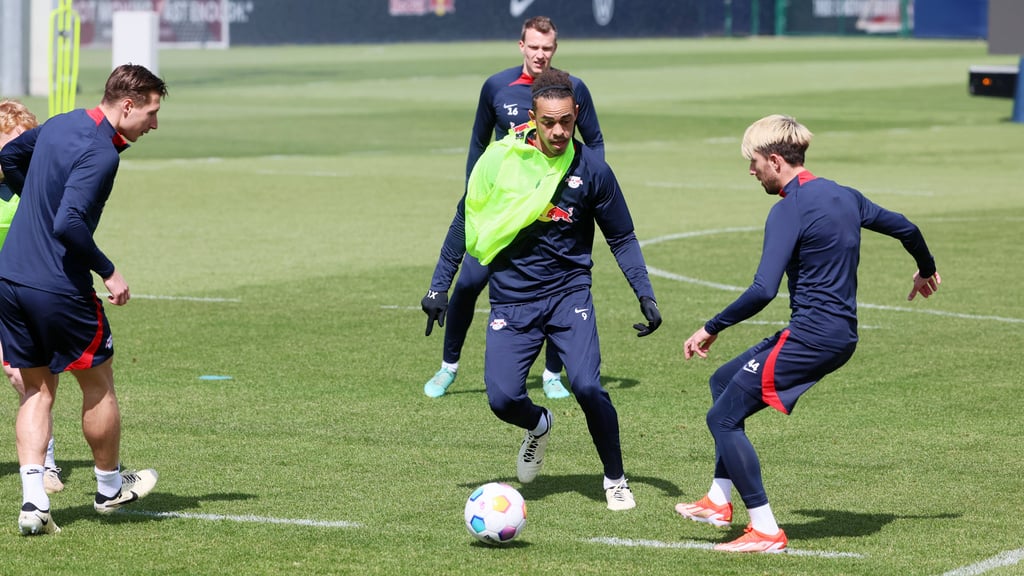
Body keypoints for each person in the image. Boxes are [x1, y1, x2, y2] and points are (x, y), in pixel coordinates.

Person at [675, 114, 941, 553]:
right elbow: (906, 229)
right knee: (723, 381)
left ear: (775, 161)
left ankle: (765, 530)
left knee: (721, 419)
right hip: (836, 335)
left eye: (754, 162)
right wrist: (926, 270)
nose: (751, 171)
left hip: (812, 338)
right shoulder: (844, 195)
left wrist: (710, 326)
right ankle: (718, 501)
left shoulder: (788, 209)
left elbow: (763, 290)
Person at [426, 69, 661, 510]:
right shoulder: (501, 160)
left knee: (588, 387)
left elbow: (622, 237)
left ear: (576, 116)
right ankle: (539, 425)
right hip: (512, 298)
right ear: (532, 118)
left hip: (569, 296)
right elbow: (465, 218)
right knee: (502, 399)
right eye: (549, 122)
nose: (558, 131)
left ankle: (615, 479)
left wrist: (644, 293)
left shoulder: (592, 169)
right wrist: (440, 286)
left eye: (566, 122)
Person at [0, 64, 168, 536]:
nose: (154, 124)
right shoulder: (101, 153)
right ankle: (109, 487)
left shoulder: (63, 122)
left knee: (37, 390)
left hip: (10, 279)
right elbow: (69, 222)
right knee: (98, 383)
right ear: (128, 105)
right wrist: (109, 271)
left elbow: (10, 155)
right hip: (57, 286)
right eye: (151, 113)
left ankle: (34, 503)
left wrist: (34, 196)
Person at [421, 15, 605, 399]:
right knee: (468, 283)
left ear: (555, 48)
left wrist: (586, 188)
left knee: (560, 288)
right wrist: (476, 193)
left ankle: (552, 375)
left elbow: (595, 141)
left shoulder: (572, 90)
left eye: (547, 48)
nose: (540, 54)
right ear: (521, 46)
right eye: (534, 47)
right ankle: (448, 367)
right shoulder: (496, 87)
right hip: (501, 209)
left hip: (551, 212)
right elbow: (479, 143)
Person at [0, 100, 64, 496]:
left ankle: (45, 465)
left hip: (17, 290)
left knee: (22, 377)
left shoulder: (33, 187)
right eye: (11, 144)